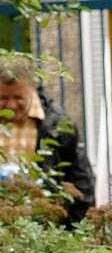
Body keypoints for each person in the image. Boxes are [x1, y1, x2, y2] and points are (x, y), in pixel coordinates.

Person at [0, 54, 95, 223]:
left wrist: (73, 232)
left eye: (18, 97)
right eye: (3, 98)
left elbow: (81, 183)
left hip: (41, 230)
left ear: (31, 89)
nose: (11, 105)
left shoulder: (56, 125)